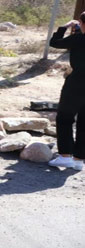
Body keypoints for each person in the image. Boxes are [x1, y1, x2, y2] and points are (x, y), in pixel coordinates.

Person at [47, 12, 85, 171]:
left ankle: (65, 156)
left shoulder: (79, 39)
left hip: (77, 82)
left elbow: (54, 42)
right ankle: (79, 159)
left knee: (64, 117)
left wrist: (64, 27)